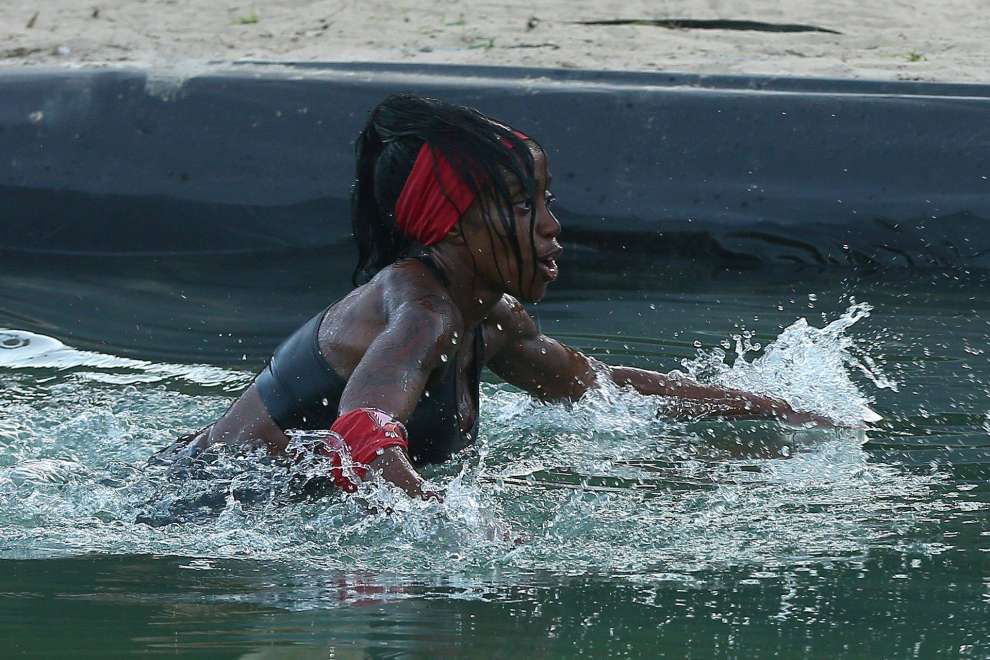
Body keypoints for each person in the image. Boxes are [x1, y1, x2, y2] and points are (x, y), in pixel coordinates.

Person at [174, 94, 828, 500]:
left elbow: (601, 389)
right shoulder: (420, 314)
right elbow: (360, 431)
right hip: (203, 507)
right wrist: (447, 522)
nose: (551, 226)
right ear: (454, 225)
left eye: (545, 200)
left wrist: (772, 407)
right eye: (521, 206)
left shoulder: (495, 319)